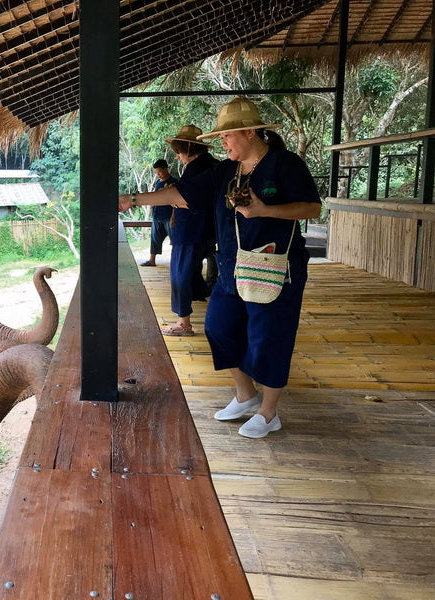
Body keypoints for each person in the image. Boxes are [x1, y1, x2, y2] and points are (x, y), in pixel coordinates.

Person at [118, 98, 321, 438]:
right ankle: (245, 395)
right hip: (231, 266)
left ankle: (270, 413)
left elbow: (312, 209)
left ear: (251, 132)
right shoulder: (226, 170)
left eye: (228, 136)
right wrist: (132, 200)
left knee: (268, 338)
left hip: (275, 267)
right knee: (218, 327)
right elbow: (180, 193)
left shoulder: (285, 164)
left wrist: (264, 211)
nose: (223, 143)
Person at [160, 125, 218, 337]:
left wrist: (175, 202)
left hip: (191, 231)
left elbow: (189, 199)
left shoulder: (197, 169)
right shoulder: (211, 165)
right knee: (191, 271)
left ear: (188, 149)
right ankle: (209, 300)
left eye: (179, 152)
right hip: (204, 230)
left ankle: (183, 322)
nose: (178, 157)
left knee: (179, 273)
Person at [140, 159, 177, 267]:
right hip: (157, 216)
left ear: (166, 168)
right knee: (154, 239)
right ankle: (152, 260)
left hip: (169, 216)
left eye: (160, 172)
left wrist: (174, 216)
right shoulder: (158, 183)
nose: (158, 175)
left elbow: (176, 201)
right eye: (156, 173)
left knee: (175, 241)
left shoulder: (174, 182)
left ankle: (176, 262)